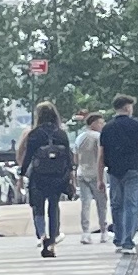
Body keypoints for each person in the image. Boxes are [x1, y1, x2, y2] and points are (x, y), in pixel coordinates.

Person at [17, 102, 76, 256]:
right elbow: (69, 159)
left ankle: (42, 235)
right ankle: (52, 239)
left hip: (39, 176)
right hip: (58, 176)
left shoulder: (35, 134)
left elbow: (28, 156)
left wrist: (21, 175)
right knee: (54, 206)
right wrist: (71, 178)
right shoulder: (61, 134)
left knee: (38, 207)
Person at [98, 94, 138, 250]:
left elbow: (101, 155)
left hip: (114, 171)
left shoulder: (107, 128)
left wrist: (100, 178)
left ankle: (119, 237)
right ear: (127, 107)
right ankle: (128, 239)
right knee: (132, 205)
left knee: (117, 205)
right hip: (134, 169)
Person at [72, 113, 108, 240]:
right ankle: (104, 231)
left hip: (82, 173)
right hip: (96, 173)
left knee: (85, 203)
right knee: (101, 203)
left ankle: (86, 232)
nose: (102, 125)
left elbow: (75, 159)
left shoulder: (79, 138)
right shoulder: (99, 137)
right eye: (100, 123)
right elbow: (102, 156)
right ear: (93, 123)